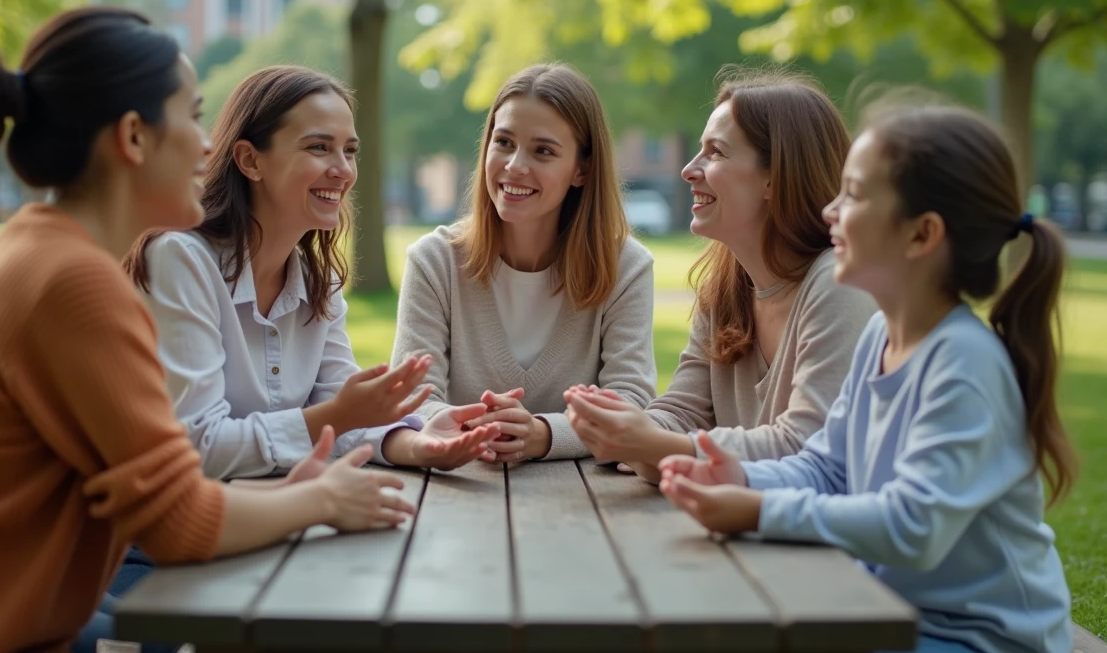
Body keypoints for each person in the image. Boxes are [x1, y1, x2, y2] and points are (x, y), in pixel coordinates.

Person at [0, 7, 418, 653]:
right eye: (193, 114)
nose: (207, 146)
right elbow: (181, 523)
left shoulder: (39, 252)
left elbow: (163, 497)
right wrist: (321, 502)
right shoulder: (73, 282)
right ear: (134, 137)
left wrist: (295, 492)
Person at [657, 97, 1077, 653]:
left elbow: (912, 526)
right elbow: (827, 468)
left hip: (981, 638)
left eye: (853, 194)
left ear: (921, 235)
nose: (830, 210)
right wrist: (739, 476)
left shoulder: (963, 363)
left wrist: (759, 508)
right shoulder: (881, 336)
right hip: (890, 613)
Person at [124, 65, 499, 482]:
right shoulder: (181, 260)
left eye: (350, 150)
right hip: (167, 538)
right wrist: (335, 416)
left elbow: (343, 409)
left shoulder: (316, 279)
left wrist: (419, 444)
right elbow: (196, 446)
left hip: (270, 519)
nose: (343, 170)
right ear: (250, 160)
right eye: (319, 147)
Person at [565, 70, 875, 481]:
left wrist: (653, 446)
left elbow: (806, 448)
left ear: (775, 176)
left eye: (716, 153)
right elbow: (683, 411)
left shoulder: (838, 284)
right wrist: (621, 428)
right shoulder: (727, 289)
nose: (689, 170)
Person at [390, 63, 657, 462]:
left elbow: (630, 401)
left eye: (543, 151)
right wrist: (484, 430)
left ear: (581, 170)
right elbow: (413, 399)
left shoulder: (626, 268)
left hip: (585, 503)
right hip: (454, 495)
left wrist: (543, 435)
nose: (515, 165)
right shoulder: (434, 262)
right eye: (504, 142)